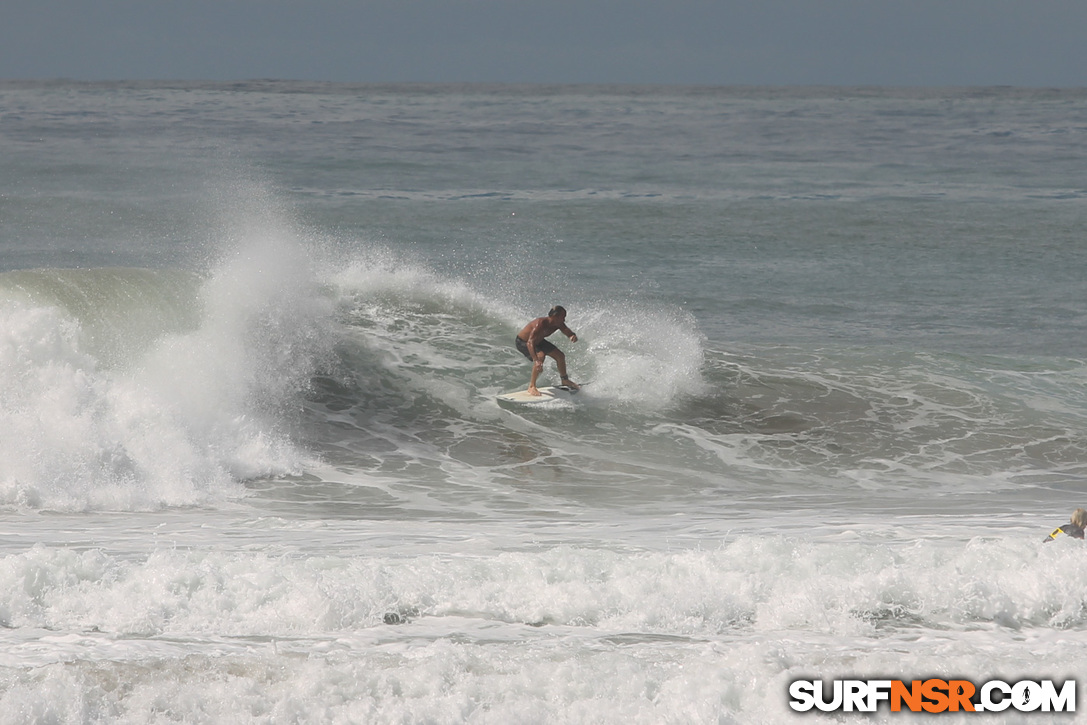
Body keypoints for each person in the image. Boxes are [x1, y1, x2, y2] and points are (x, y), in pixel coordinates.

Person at [515, 305, 580, 396]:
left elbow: (568, 332)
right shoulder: (540, 323)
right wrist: (536, 360)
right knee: (540, 356)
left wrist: (572, 336)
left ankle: (564, 380)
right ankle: (531, 386)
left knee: (560, 356)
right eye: (562, 317)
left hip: (539, 341)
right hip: (523, 342)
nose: (564, 320)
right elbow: (530, 342)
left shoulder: (558, 324)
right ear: (555, 316)